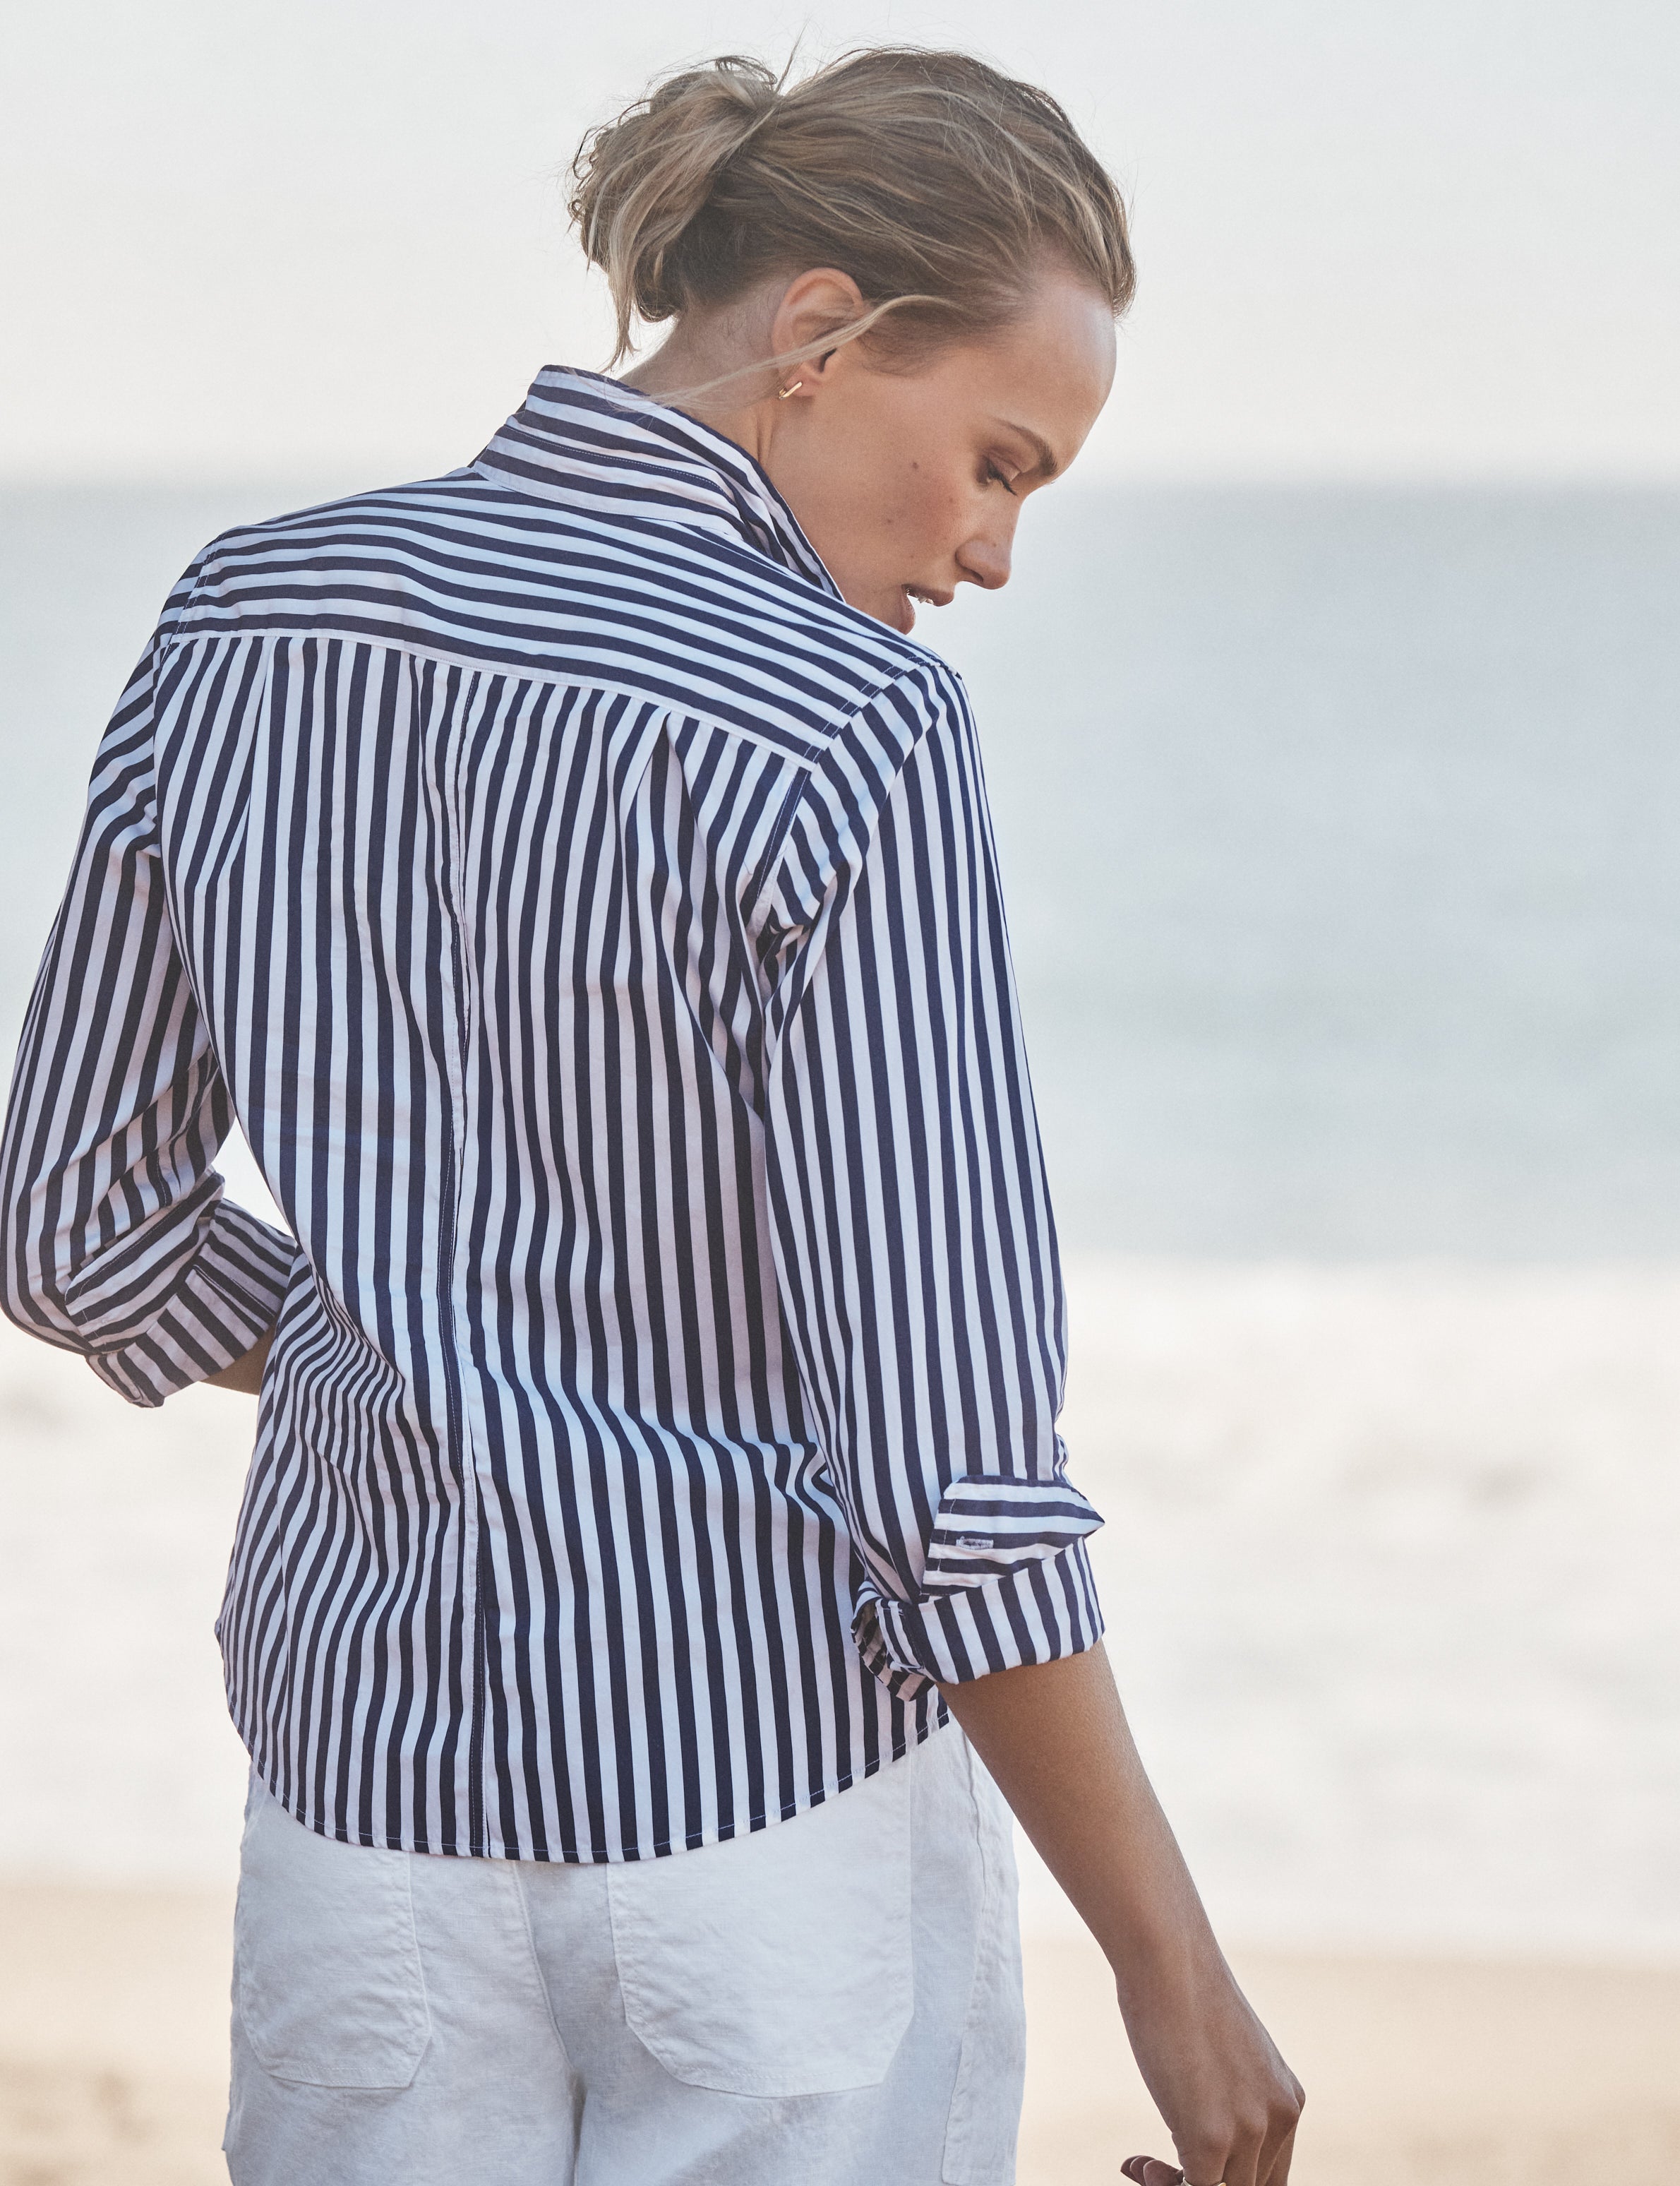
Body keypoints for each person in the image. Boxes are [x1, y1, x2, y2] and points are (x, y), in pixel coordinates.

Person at [0, 46, 1302, 2186]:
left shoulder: (244, 615)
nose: (984, 553)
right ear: (816, 331)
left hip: (367, 1818)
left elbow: (73, 1227)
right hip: (767, 1821)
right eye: (992, 461)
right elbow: (948, 1469)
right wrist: (1172, 1969)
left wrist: (383, 1330)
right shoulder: (844, 729)